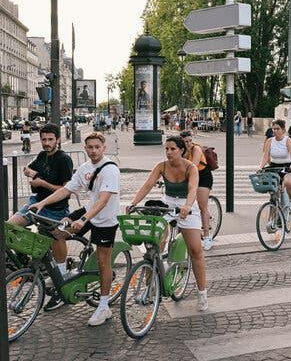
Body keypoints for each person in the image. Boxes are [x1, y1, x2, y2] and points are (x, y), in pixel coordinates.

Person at [31, 132, 120, 322]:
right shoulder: (85, 168)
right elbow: (66, 189)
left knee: (103, 261)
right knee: (57, 233)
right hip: (88, 211)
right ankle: (62, 276)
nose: (94, 150)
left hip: (105, 218)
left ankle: (104, 307)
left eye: (97, 147)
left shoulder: (110, 169)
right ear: (85, 148)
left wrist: (83, 220)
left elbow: (103, 201)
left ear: (104, 148)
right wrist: (42, 204)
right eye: (90, 147)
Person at [128, 135, 209, 311]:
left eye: (173, 149)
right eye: (167, 149)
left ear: (181, 150)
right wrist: (133, 203)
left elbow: (192, 189)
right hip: (167, 203)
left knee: (195, 250)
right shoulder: (161, 166)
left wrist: (187, 205)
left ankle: (202, 293)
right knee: (153, 245)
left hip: (186, 205)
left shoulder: (191, 168)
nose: (169, 152)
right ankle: (151, 288)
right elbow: (147, 185)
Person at [8, 124, 73, 305]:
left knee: (55, 238)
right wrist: (32, 173)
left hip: (56, 208)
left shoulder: (64, 160)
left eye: (50, 139)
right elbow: (28, 169)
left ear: (58, 140)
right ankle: (25, 261)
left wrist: (43, 184)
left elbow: (67, 189)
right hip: (35, 203)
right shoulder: (42, 155)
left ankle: (61, 275)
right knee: (10, 226)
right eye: (44, 139)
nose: (46, 143)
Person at [180, 130, 215, 250]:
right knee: (187, 204)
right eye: (185, 142)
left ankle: (207, 237)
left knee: (202, 207)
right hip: (190, 177)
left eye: (190, 141)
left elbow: (193, 166)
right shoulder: (180, 151)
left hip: (203, 177)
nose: (188, 143)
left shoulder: (196, 149)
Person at [259, 119, 291, 210]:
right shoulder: (270, 141)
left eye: (277, 129)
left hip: (287, 167)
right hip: (274, 166)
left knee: (289, 182)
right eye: (274, 129)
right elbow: (265, 156)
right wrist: (260, 167)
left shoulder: (288, 141)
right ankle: (272, 219)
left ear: (283, 130)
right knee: (274, 195)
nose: (275, 131)